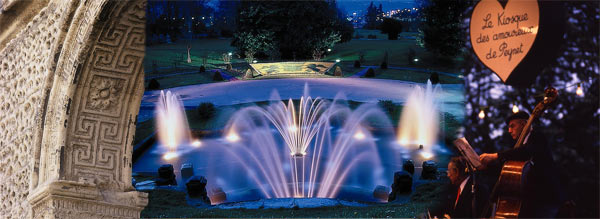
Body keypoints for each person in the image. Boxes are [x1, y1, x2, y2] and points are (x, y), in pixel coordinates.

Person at [479, 111, 564, 218]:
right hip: (531, 202)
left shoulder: (537, 137)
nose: (509, 131)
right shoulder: (520, 146)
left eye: (512, 126)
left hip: (545, 200)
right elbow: (506, 168)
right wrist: (486, 166)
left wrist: (495, 155)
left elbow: (526, 152)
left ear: (524, 124)